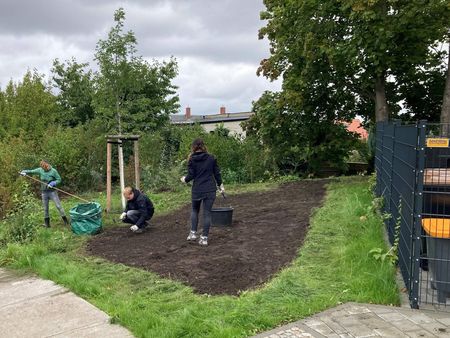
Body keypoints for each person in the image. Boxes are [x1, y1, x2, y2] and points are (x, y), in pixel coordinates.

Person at [180, 138, 224, 246]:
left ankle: (193, 233)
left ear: (193, 147)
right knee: (207, 213)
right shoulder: (211, 158)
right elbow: (217, 174)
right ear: (203, 146)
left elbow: (191, 176)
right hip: (210, 189)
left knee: (195, 210)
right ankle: (204, 238)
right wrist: (221, 186)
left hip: (197, 189)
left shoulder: (191, 159)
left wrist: (184, 179)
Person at [20, 160, 69, 228]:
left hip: (52, 192)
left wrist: (53, 183)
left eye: (46, 167)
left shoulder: (53, 171)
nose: (45, 168)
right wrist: (24, 172)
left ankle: (66, 221)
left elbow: (59, 179)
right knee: (45, 208)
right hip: (44, 192)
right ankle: (47, 224)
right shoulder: (40, 170)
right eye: (43, 167)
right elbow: (31, 171)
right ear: (41, 167)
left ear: (48, 165)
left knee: (58, 206)